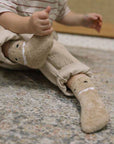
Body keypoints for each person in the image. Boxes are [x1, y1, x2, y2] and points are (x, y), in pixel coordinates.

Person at [0, 0, 109, 133]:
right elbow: (4, 17)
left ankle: (86, 91)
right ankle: (23, 52)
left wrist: (83, 20)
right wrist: (28, 25)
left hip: (39, 49)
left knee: (54, 47)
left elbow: (65, 15)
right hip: (9, 49)